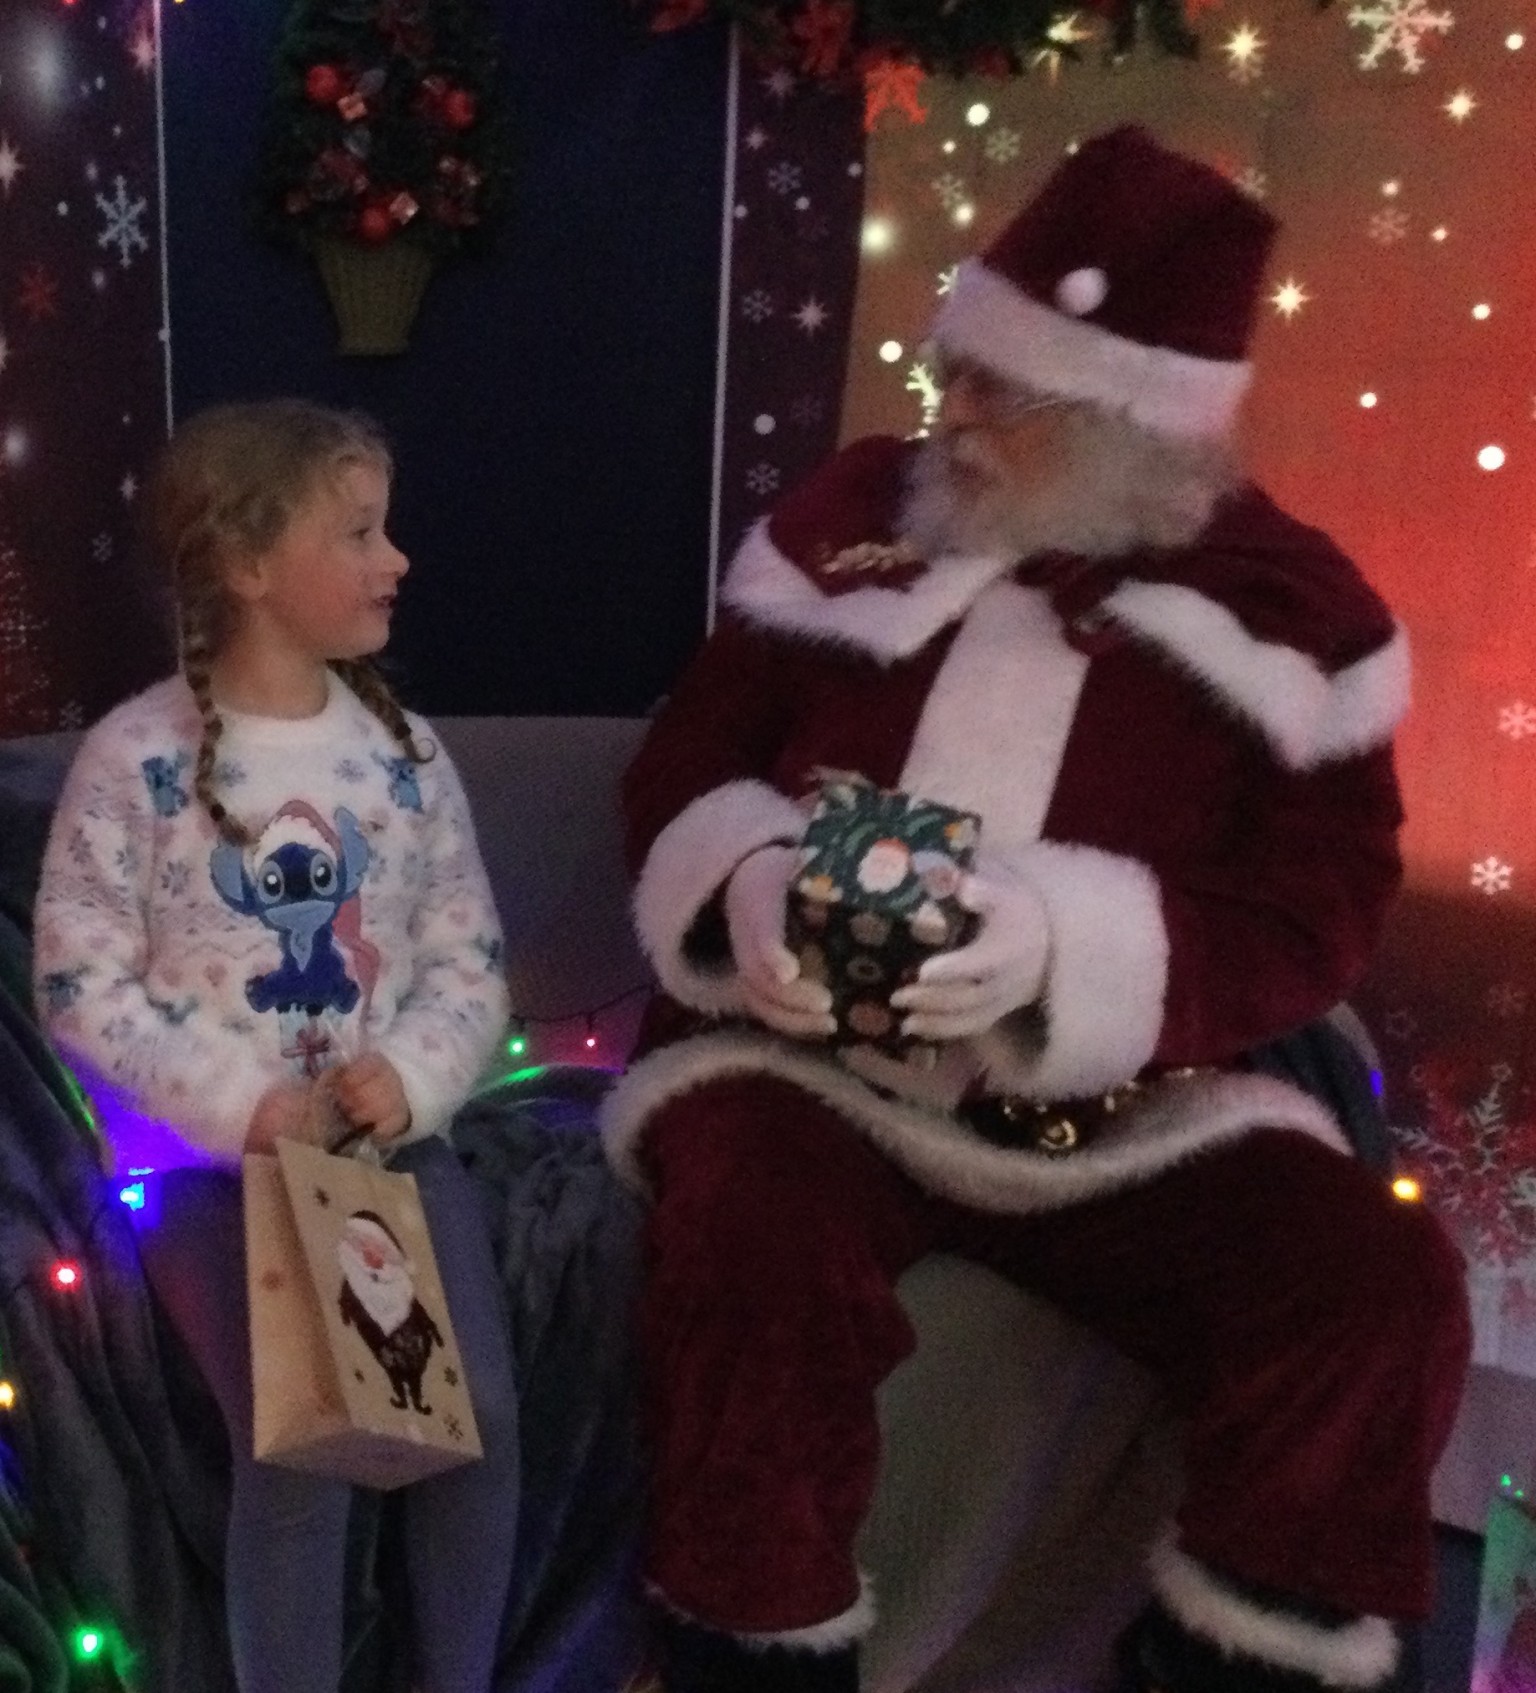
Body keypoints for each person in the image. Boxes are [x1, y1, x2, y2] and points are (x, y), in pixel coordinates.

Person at [602, 126, 1471, 1693]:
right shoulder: (853, 519)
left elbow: (1318, 906)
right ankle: (747, 1654)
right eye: (956, 370)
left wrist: (1067, 949)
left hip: (1124, 1113)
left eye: (1005, 393)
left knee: (1375, 1280)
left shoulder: (1295, 613)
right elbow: (687, 763)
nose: (954, 414)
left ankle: (1235, 1664)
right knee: (751, 1229)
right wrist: (748, 887)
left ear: (1135, 424)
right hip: (809, 1074)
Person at [32, 400, 518, 1693]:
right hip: (213, 1179)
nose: (396, 558)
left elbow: (468, 958)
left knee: (476, 1424)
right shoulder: (138, 760)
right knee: (302, 1443)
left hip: (389, 1160)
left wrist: (410, 1078)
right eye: (357, 532)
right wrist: (242, 1107)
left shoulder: (406, 759)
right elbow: (80, 981)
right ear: (248, 564)